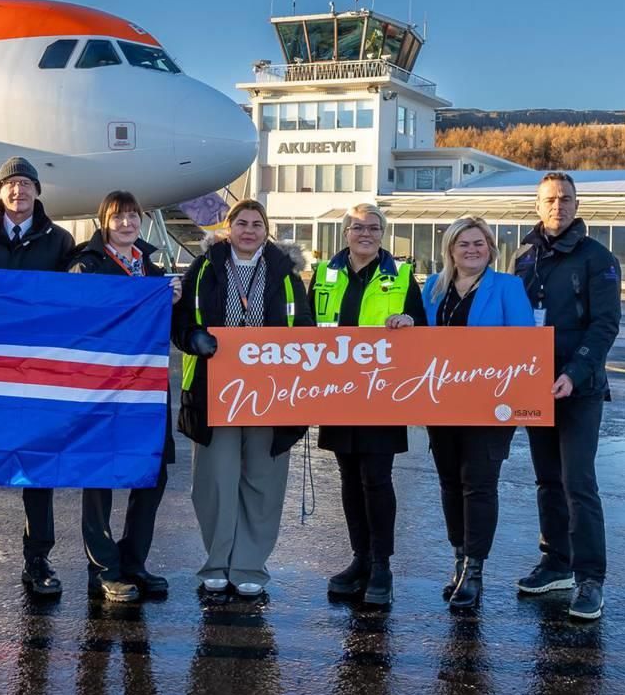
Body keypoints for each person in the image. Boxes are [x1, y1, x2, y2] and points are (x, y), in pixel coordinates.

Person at [173, 198, 314, 598]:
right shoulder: (204, 268)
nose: (249, 230)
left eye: (257, 224)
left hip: (270, 392)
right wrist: (191, 338)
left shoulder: (285, 274)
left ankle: (250, 564)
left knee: (263, 479)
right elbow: (181, 320)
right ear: (229, 229)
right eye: (242, 223)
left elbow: (304, 324)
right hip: (214, 389)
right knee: (215, 480)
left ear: (266, 231)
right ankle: (216, 562)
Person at [0, 156, 76, 598]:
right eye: (11, 184)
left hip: (36, 374)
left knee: (38, 467)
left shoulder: (59, 241)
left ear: (37, 192)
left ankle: (38, 559)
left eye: (26, 184)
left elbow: (80, 293)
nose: (19, 191)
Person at [512, 172, 621, 621]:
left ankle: (590, 578)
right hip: (535, 386)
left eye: (565, 198)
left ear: (577, 204)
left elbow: (605, 325)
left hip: (578, 389)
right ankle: (556, 562)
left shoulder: (597, 258)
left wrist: (575, 374)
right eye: (550, 199)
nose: (558, 205)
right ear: (537, 206)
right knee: (547, 481)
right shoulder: (524, 259)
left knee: (579, 483)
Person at [66, 190, 183, 602]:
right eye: (118, 217)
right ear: (103, 222)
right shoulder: (86, 266)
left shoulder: (152, 270)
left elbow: (169, 330)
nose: (127, 224)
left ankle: (134, 561)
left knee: (152, 475)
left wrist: (172, 307)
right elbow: (78, 324)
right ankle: (104, 567)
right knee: (99, 475)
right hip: (103, 391)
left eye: (133, 216)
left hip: (148, 392)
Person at [308, 204, 425, 608]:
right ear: (345, 233)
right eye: (357, 227)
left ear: (382, 234)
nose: (365, 234)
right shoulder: (325, 275)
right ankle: (359, 558)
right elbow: (306, 334)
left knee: (376, 479)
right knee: (348, 478)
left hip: (382, 395)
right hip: (338, 394)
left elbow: (423, 331)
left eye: (373, 228)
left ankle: (381, 565)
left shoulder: (403, 276)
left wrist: (410, 322)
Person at [421, 216, 531, 611]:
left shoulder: (508, 287)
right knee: (450, 483)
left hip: (491, 403)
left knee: (479, 484)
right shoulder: (433, 289)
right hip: (442, 401)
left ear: (490, 248)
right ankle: (458, 560)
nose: (471, 250)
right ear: (450, 249)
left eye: (478, 243)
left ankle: (475, 571)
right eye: (463, 244)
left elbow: (523, 347)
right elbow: (419, 338)